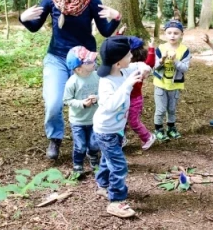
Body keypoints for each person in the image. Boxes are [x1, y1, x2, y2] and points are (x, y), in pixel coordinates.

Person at [20, 0, 121, 160]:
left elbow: (105, 31)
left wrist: (116, 17)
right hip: (57, 58)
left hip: (85, 61)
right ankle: (55, 138)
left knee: (93, 101)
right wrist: (23, 18)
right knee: (53, 103)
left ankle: (95, 139)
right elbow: (34, 27)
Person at [93, 35, 151, 218]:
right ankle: (116, 201)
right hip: (105, 130)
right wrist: (126, 86)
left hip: (116, 128)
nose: (132, 57)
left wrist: (145, 68)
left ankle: (103, 185)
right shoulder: (107, 82)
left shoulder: (124, 70)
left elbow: (141, 65)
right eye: (128, 55)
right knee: (119, 166)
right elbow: (110, 105)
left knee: (108, 158)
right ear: (118, 63)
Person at [63, 46, 100, 174]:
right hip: (78, 121)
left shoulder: (97, 76)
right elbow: (67, 100)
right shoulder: (72, 82)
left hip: (95, 119)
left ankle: (93, 156)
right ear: (79, 69)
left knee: (94, 143)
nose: (93, 62)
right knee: (80, 145)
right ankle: (78, 164)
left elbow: (104, 92)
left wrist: (97, 98)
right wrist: (82, 104)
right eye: (89, 62)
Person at [153, 20, 191, 142]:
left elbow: (185, 68)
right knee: (160, 109)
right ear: (165, 34)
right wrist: (162, 60)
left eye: (176, 33)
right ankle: (158, 129)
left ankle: (171, 128)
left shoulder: (184, 50)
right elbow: (154, 66)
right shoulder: (160, 49)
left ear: (181, 34)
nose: (172, 36)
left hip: (175, 84)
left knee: (172, 109)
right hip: (160, 84)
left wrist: (175, 61)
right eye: (169, 33)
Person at [126, 36, 157, 150]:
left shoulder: (139, 65)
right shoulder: (122, 64)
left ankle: (148, 137)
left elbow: (150, 63)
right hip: (123, 97)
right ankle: (121, 139)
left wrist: (151, 49)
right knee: (121, 121)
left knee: (133, 122)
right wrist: (119, 34)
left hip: (135, 98)